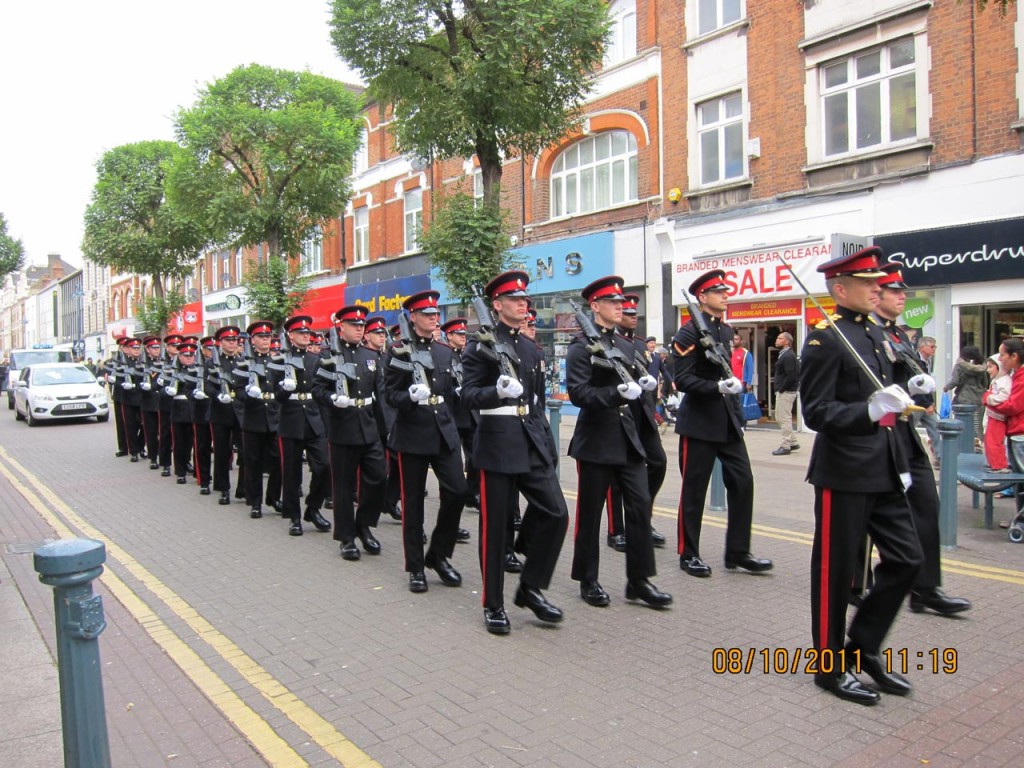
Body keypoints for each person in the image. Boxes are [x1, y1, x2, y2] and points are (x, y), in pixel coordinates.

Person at [800, 247, 923, 705]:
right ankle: (829, 668)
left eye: (879, 283)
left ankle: (863, 647)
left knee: (907, 560)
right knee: (835, 572)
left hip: (886, 466)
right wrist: (867, 411)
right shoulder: (825, 339)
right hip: (845, 469)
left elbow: (891, 391)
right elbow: (816, 411)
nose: (879, 288)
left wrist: (909, 392)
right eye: (868, 282)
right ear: (839, 289)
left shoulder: (876, 333)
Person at [460, 270, 569, 634]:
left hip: (530, 439)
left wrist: (548, 445)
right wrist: (497, 392)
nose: (524, 304)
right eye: (515, 299)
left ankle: (531, 588)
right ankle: (493, 603)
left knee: (556, 512)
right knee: (495, 530)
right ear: (497, 305)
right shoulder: (480, 345)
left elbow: (536, 402)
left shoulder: (528, 346)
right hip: (497, 442)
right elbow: (469, 395)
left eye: (525, 299)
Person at [566, 275, 672, 609]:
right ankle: (588, 579)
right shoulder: (581, 346)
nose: (620, 307)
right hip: (597, 440)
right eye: (613, 303)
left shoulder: (627, 346)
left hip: (628, 440)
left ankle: (639, 581)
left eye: (620, 302)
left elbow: (638, 391)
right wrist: (615, 393)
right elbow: (579, 393)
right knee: (590, 513)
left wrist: (648, 391)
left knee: (639, 508)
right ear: (595, 306)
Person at [875, 262, 970, 616]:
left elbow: (916, 389)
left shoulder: (900, 336)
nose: (902, 296)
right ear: (876, 293)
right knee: (872, 516)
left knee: (926, 507)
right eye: (894, 291)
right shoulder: (869, 333)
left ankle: (927, 588)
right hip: (879, 434)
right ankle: (861, 584)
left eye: (903, 291)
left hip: (905, 433)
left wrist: (924, 393)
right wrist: (905, 389)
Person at [671, 270, 772, 578]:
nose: (726, 295)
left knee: (743, 483)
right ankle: (688, 553)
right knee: (694, 490)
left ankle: (738, 552)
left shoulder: (727, 332)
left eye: (726, 291)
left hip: (727, 421)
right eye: (719, 292)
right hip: (699, 422)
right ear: (702, 297)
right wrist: (715, 388)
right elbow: (682, 379)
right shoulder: (688, 334)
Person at [383, 290, 468, 594]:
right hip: (412, 435)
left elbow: (455, 389)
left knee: (458, 491)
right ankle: (416, 567)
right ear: (414, 317)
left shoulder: (446, 351)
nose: (435, 318)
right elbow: (390, 395)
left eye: (436, 314)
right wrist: (408, 397)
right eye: (428, 314)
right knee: (413, 502)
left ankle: (439, 555)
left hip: (444, 432)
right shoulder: (397, 352)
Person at [314, 305, 386, 560]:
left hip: (368, 426)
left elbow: (382, 396)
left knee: (378, 477)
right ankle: (346, 537)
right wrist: (333, 397)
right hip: (343, 427)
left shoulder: (372, 355)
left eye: (361, 325)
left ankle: (364, 525)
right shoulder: (328, 355)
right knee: (343, 486)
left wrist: (386, 429)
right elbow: (317, 389)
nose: (359, 329)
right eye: (354, 325)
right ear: (340, 327)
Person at [604, 293, 667, 551]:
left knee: (658, 463)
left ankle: (641, 518)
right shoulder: (609, 342)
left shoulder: (641, 345)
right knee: (617, 476)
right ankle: (616, 529)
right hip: (622, 415)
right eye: (627, 314)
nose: (632, 318)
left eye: (634, 315)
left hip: (643, 415)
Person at [270, 315, 331, 537]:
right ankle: (294, 517)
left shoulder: (316, 360)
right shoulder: (279, 361)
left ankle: (313, 508)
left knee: (324, 466)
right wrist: (285, 389)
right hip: (291, 421)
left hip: (314, 419)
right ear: (291, 336)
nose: (306, 336)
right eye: (301, 333)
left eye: (308, 333)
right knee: (291, 474)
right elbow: (277, 396)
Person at [235, 322, 282, 520]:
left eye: (268, 336)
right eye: (261, 337)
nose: (266, 340)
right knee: (253, 462)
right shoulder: (244, 363)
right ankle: (255, 502)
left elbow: (281, 389)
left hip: (274, 417)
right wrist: (247, 393)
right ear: (252, 340)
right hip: (253, 418)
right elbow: (237, 390)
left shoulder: (278, 361)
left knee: (278, 461)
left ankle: (273, 497)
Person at [208, 326, 245, 505]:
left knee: (245, 452)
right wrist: (217, 395)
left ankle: (243, 488)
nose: (232, 343)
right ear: (220, 342)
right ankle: (223, 489)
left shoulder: (243, 361)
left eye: (234, 340)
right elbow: (207, 386)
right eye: (228, 340)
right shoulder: (212, 364)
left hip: (240, 412)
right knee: (222, 452)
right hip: (220, 412)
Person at [944, 345, 988, 442]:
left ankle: (964, 445)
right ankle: (978, 444)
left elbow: (954, 381)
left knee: (963, 424)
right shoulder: (982, 367)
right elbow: (985, 383)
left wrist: (946, 387)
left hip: (964, 399)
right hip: (979, 399)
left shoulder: (959, 366)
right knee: (977, 425)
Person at [913, 336, 940, 468]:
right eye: (932, 346)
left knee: (935, 429)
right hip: (916, 404)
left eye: (935, 346)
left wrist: (932, 402)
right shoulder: (915, 361)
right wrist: (927, 404)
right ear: (922, 347)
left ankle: (940, 457)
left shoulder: (928, 362)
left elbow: (929, 386)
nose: (934, 349)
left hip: (926, 404)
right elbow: (919, 386)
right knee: (909, 430)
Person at [771, 332, 800, 456]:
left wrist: (781, 389)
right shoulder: (784, 354)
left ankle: (786, 445)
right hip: (783, 390)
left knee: (784, 418)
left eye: (780, 338)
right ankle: (793, 442)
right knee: (779, 416)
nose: (777, 340)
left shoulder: (788, 356)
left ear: (787, 341)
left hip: (787, 391)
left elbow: (791, 376)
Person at [983, 354, 1012, 472]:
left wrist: (988, 398)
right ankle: (994, 462)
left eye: (990, 367)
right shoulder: (998, 380)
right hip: (993, 415)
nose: (988, 370)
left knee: (994, 440)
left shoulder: (1004, 381)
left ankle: (999, 465)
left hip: (998, 417)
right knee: (989, 439)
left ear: (999, 367)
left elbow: (1004, 396)